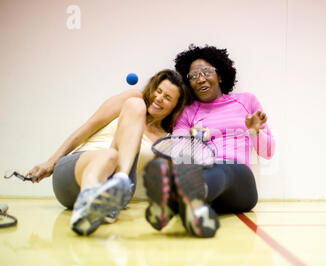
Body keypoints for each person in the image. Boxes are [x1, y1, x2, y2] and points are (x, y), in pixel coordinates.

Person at [27, 69, 190, 236]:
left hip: (118, 189)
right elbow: (87, 128)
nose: (159, 98)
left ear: (175, 107)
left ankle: (103, 198)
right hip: (75, 173)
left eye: (167, 98)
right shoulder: (134, 98)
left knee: (113, 157)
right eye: (159, 90)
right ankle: (101, 192)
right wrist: (50, 163)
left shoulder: (166, 140)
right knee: (111, 152)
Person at [143, 45, 275, 238]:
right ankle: (189, 206)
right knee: (201, 172)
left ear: (220, 76)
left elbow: (268, 152)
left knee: (222, 168)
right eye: (193, 76)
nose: (201, 79)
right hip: (207, 184)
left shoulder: (246, 101)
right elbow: (179, 153)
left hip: (241, 185)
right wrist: (192, 138)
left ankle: (178, 200)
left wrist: (254, 132)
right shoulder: (187, 112)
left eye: (206, 72)